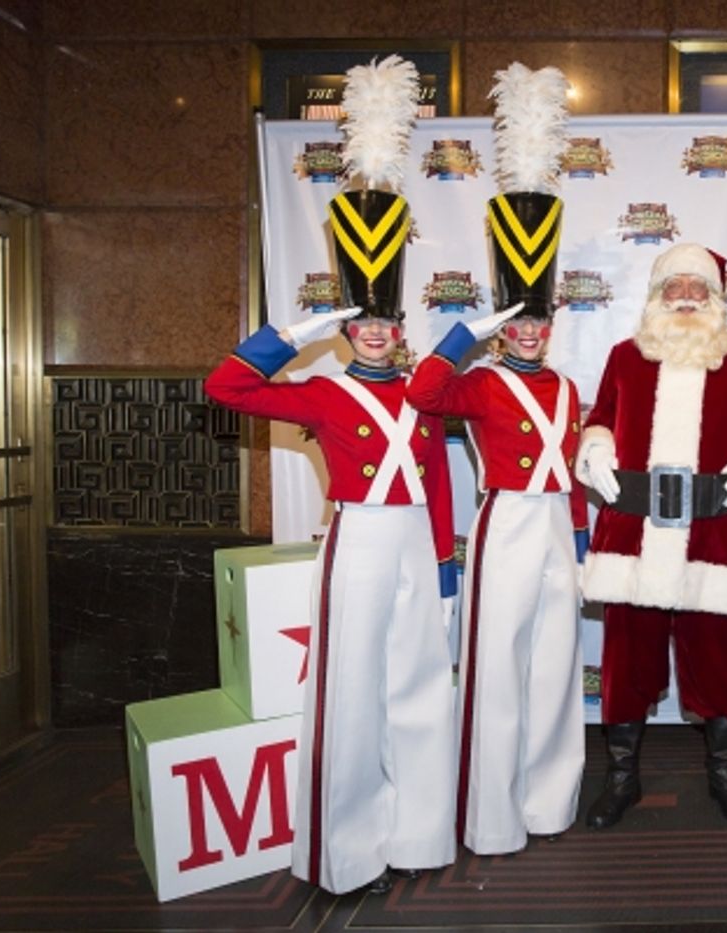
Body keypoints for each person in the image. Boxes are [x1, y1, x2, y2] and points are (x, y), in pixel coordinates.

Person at [205, 303, 459, 894]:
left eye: (386, 323)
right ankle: (349, 855)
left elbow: (440, 484)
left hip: (419, 542)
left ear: (401, 334)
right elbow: (226, 387)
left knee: (420, 691)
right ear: (344, 333)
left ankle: (417, 836)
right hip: (361, 536)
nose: (374, 333)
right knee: (350, 696)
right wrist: (292, 335)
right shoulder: (323, 392)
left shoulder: (424, 395)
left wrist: (445, 571)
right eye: (361, 323)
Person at [575, 242, 727, 830]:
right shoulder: (624, 356)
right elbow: (601, 421)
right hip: (635, 531)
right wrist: (597, 451)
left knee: (720, 663)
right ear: (656, 297)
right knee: (625, 665)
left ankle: (723, 774)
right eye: (675, 287)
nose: (687, 297)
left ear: (716, 299)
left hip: (714, 535)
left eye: (699, 288)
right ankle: (621, 778)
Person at [407, 303, 588, 856]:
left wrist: (580, 545)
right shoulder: (483, 381)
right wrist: (463, 336)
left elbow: (575, 473)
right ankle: (492, 819)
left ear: (552, 330)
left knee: (557, 668)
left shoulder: (567, 386)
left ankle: (549, 803)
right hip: (507, 519)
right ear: (501, 333)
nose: (529, 333)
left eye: (538, 324)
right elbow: (424, 395)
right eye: (516, 325)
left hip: (558, 521)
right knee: (498, 669)